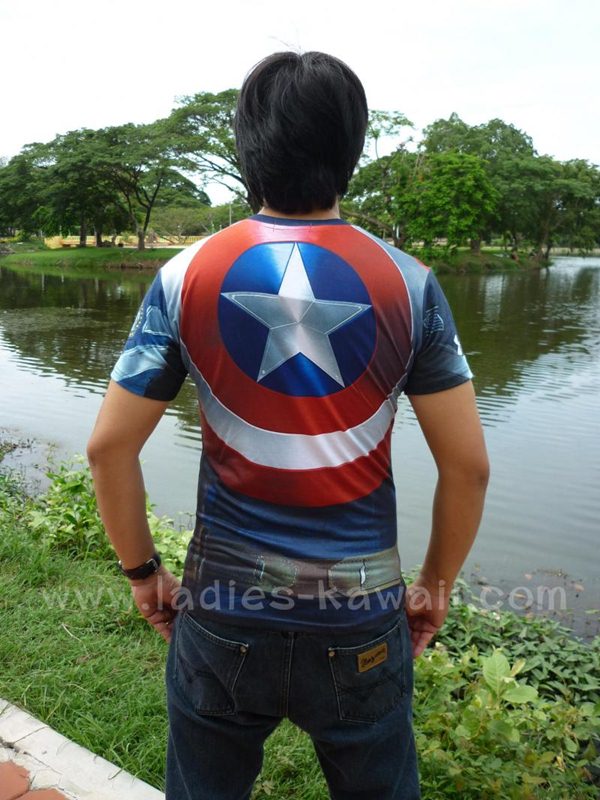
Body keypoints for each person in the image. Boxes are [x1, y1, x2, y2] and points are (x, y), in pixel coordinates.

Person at [87, 51, 489, 800]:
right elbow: (468, 468)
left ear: (249, 147)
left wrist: (144, 575)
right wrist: (433, 588)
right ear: (352, 147)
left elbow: (109, 447)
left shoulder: (184, 275)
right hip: (361, 615)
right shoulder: (412, 284)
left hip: (222, 610)